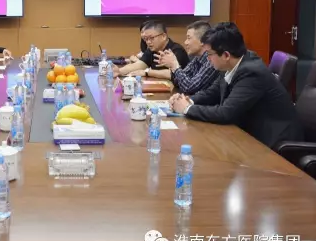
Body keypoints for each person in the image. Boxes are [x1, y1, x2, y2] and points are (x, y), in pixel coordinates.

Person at [170, 22, 303, 148]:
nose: (207, 58)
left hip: (272, 144)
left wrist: (187, 109)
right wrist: (188, 100)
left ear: (226, 55)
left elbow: (226, 113)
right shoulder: (232, 63)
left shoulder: (251, 72)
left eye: (209, 54)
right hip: (248, 134)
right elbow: (213, 92)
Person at [153, 21, 220, 94]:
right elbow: (177, 81)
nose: (185, 42)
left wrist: (175, 65)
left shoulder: (211, 60)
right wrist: (172, 66)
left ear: (202, 41)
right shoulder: (196, 58)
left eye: (189, 38)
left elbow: (189, 88)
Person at [115, 20, 189, 78]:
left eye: (151, 38)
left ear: (163, 36)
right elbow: (139, 65)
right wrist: (118, 71)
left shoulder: (177, 50)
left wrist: (147, 72)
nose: (148, 42)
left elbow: (173, 74)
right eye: (146, 39)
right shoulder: (152, 50)